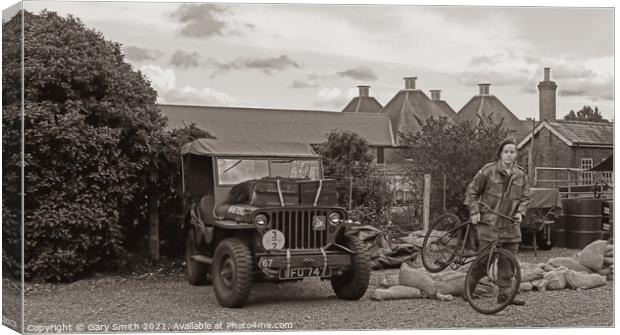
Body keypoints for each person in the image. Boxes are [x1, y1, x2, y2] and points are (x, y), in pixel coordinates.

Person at [464, 136, 532, 306]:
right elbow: (472, 191)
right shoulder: (488, 170)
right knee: (483, 261)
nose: (509, 155)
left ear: (516, 155)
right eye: (506, 152)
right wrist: (474, 212)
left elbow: (526, 197)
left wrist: (521, 213)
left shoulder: (521, 175)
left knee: (508, 262)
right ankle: (468, 289)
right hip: (489, 224)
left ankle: (505, 295)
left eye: (512, 152)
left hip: (510, 225)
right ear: (500, 154)